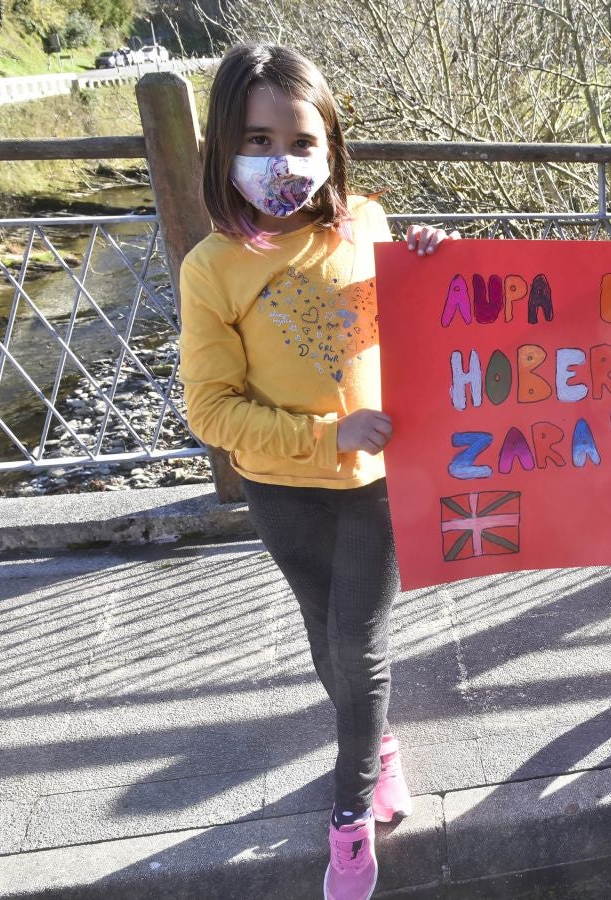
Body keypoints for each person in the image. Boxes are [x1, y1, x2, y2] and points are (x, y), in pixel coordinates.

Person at [178, 43, 457, 900]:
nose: (283, 162)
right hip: (281, 489)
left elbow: (418, 321)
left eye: (304, 142)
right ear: (224, 147)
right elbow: (211, 410)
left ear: (332, 146)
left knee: (360, 646)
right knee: (323, 635)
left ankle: (348, 817)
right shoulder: (212, 268)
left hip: (379, 485)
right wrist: (328, 434)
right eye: (259, 140)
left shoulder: (364, 222)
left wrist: (433, 261)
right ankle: (378, 746)